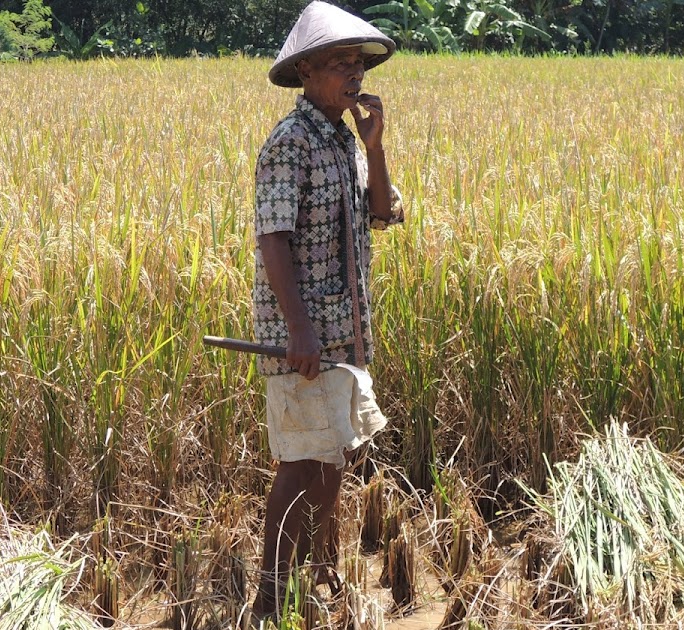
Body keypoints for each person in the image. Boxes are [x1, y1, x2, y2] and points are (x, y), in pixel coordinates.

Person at [250, 1, 403, 622]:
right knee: (301, 460)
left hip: (347, 328)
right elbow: (273, 238)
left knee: (334, 451)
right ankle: (269, 595)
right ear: (307, 71)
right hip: (307, 332)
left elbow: (384, 213)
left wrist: (377, 147)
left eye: (358, 62)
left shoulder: (345, 140)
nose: (354, 72)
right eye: (339, 61)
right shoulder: (289, 144)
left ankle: (323, 571)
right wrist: (300, 330)